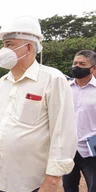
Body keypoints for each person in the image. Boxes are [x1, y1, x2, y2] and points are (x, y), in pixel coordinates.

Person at [0, 16, 78, 192]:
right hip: (4, 178)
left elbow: (63, 134)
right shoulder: (3, 82)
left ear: (29, 47)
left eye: (9, 44)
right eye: (3, 45)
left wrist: (53, 180)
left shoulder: (52, 80)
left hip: (32, 183)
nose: (2, 51)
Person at [62, 50, 96, 192]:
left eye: (82, 64)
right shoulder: (64, 89)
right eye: (75, 63)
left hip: (92, 149)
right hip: (69, 148)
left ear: (93, 68)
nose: (77, 66)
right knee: (69, 187)